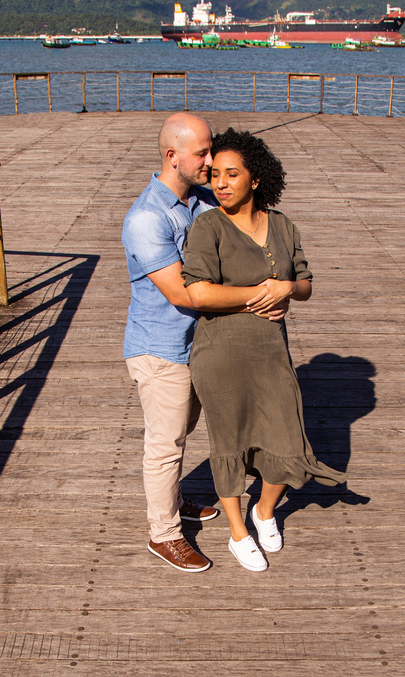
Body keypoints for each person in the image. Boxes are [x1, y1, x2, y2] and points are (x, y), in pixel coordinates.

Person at [122, 113, 289, 571]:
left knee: (188, 429)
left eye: (211, 149)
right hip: (161, 348)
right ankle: (165, 533)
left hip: (202, 345)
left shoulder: (199, 200)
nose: (211, 160)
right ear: (172, 156)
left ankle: (175, 500)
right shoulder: (146, 219)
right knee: (166, 443)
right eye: (202, 153)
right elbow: (183, 292)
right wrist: (262, 296)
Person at [181, 128, 345, 572]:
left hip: (271, 352)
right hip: (220, 353)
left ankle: (264, 511)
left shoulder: (284, 225)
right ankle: (237, 533)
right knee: (229, 442)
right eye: (214, 175)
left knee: (286, 440)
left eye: (232, 174)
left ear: (256, 180)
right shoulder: (208, 226)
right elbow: (197, 293)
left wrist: (287, 287)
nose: (220, 183)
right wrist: (261, 291)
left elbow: (306, 283)